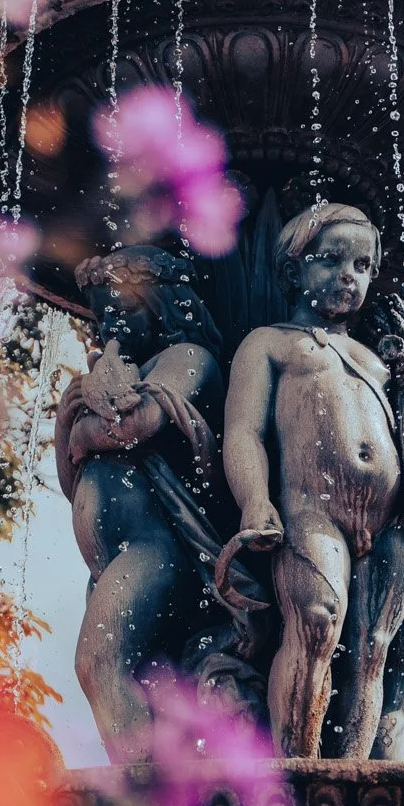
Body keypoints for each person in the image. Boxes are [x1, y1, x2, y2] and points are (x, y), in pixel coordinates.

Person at [217, 204, 404, 757]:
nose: (350, 275)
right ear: (293, 270)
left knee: (373, 647)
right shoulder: (269, 343)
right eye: (331, 260)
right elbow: (243, 431)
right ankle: (296, 767)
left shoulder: (378, 362)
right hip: (310, 510)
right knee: (318, 623)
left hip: (391, 519)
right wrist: (254, 500)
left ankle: (349, 778)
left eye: (364, 265)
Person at [55, 247, 240, 760]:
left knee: (99, 661)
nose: (111, 321)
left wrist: (85, 424)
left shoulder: (186, 358)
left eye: (125, 307)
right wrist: (67, 420)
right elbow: (73, 477)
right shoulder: (121, 375)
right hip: (115, 560)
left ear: (165, 304)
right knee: (147, 685)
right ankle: (156, 784)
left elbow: (132, 426)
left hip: (160, 553)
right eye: (104, 311)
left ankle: (138, 799)